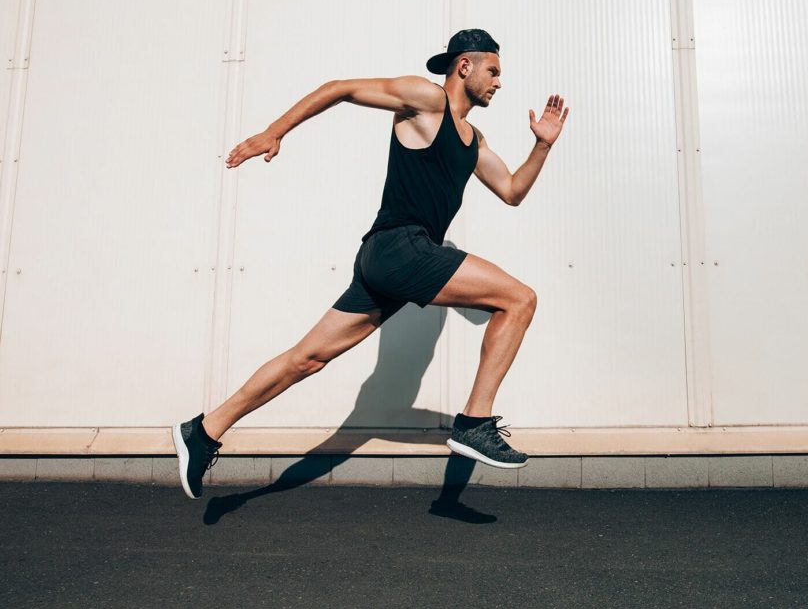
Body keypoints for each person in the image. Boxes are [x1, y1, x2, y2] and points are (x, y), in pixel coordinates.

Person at [172, 29, 569, 499]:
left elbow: (512, 191)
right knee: (519, 299)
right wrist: (272, 132)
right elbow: (338, 89)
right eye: (494, 71)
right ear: (465, 66)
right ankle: (475, 422)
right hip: (401, 247)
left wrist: (542, 145)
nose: (499, 82)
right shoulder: (426, 100)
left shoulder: (472, 139)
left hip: (388, 258)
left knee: (307, 358)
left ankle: (203, 430)